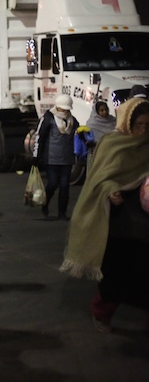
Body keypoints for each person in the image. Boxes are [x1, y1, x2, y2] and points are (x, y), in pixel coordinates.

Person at [60, 98, 149, 333]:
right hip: (119, 222)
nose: (142, 130)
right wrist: (110, 190)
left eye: (147, 125)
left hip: (144, 220)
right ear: (127, 122)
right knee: (116, 276)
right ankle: (102, 311)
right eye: (138, 124)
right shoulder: (112, 144)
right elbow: (99, 179)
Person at [32, 94, 79, 220]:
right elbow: (39, 137)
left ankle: (62, 213)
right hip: (51, 158)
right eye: (63, 108)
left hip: (67, 158)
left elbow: (78, 136)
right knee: (52, 183)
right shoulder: (48, 118)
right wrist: (36, 156)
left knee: (64, 186)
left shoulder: (72, 120)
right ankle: (45, 203)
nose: (65, 111)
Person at [83, 100, 116, 170]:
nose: (105, 112)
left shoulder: (113, 121)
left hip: (110, 155)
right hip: (94, 154)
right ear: (97, 112)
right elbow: (88, 140)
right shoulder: (91, 124)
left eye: (106, 109)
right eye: (102, 110)